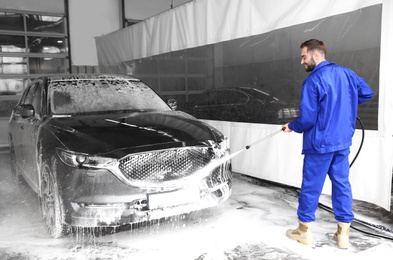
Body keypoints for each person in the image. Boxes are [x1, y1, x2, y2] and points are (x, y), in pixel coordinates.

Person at [282, 39, 374, 249]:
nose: (301, 62)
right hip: (342, 142)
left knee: (311, 186)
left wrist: (292, 126)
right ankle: (343, 234)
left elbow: (307, 119)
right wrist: (344, 103)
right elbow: (367, 92)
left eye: (303, 57)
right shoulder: (347, 74)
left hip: (320, 144)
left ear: (316, 55)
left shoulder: (313, 81)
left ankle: (303, 231)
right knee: (342, 184)